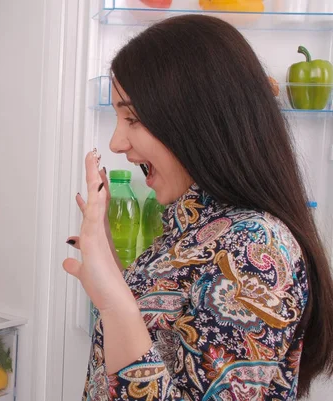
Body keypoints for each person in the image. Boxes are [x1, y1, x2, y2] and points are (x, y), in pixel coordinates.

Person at [63, 14, 333, 401]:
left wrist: (113, 301)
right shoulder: (192, 227)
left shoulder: (256, 248)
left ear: (195, 120)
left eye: (133, 118)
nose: (116, 142)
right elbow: (158, 342)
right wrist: (112, 272)